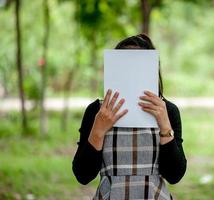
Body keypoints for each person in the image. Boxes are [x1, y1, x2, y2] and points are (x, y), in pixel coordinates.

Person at [72, 33, 187, 200]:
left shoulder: (167, 111)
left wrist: (165, 127)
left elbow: (175, 175)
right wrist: (98, 131)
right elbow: (83, 175)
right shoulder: (97, 112)